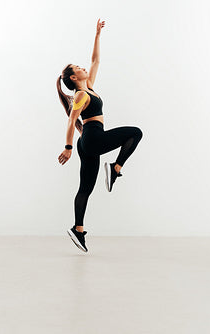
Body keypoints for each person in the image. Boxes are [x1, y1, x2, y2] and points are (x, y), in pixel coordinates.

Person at [56, 19, 143, 252]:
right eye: (78, 68)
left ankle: (78, 229)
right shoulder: (81, 95)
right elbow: (71, 120)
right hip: (92, 138)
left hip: (89, 142)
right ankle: (115, 168)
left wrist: (97, 35)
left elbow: (95, 60)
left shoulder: (89, 87)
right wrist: (67, 147)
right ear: (74, 78)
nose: (83, 68)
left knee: (85, 189)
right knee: (135, 133)